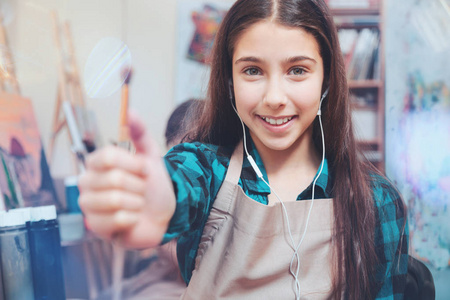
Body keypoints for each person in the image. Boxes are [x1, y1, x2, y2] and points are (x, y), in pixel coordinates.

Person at [79, 0, 409, 299]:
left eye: (297, 70)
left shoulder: (379, 202)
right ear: (230, 82)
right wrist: (160, 202)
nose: (275, 97)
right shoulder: (207, 171)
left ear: (326, 81)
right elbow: (178, 183)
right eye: (252, 70)